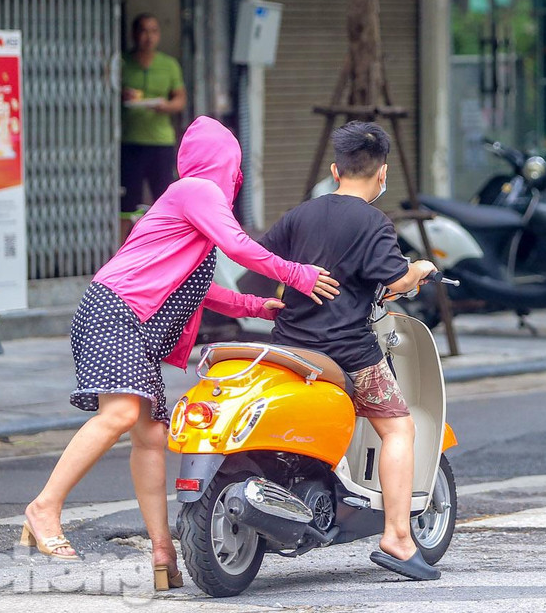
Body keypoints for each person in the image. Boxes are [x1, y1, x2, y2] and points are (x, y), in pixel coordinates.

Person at [22, 117, 341, 591]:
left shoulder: (190, 206)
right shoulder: (196, 191)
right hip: (116, 313)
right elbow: (239, 247)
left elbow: (197, 288)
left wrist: (255, 306)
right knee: (121, 414)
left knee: (151, 436)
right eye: (234, 167)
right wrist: (298, 274)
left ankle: (162, 551)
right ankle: (44, 507)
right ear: (226, 164)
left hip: (132, 323)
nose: (235, 178)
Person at [259, 121, 442, 582]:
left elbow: (262, 263)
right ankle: (397, 538)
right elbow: (396, 278)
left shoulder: (301, 214)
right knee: (398, 428)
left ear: (335, 170)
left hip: (287, 347)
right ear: (383, 174)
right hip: (348, 352)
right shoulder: (374, 221)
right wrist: (420, 267)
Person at [121, 13, 187, 242]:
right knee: (127, 203)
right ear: (134, 34)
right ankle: (123, 249)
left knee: (164, 199)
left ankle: (165, 246)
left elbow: (180, 100)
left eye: (154, 31)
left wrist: (165, 106)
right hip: (130, 142)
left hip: (160, 143)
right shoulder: (123, 63)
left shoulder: (169, 65)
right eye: (143, 31)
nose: (148, 37)